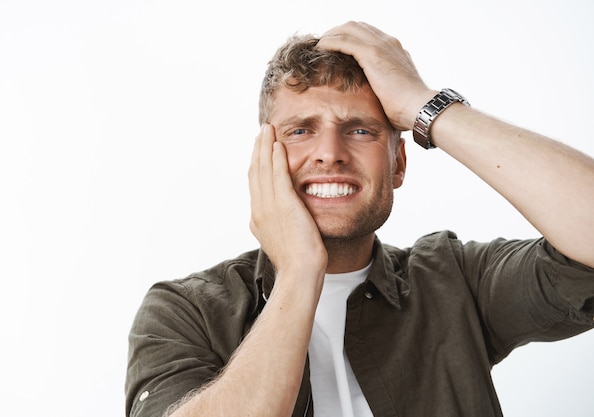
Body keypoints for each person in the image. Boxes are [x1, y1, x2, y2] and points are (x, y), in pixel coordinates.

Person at [125, 21, 594, 417]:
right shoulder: (183, 311)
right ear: (262, 160)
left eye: (361, 130)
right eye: (300, 131)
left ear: (398, 165)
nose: (330, 154)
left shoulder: (455, 281)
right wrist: (299, 270)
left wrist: (422, 103)